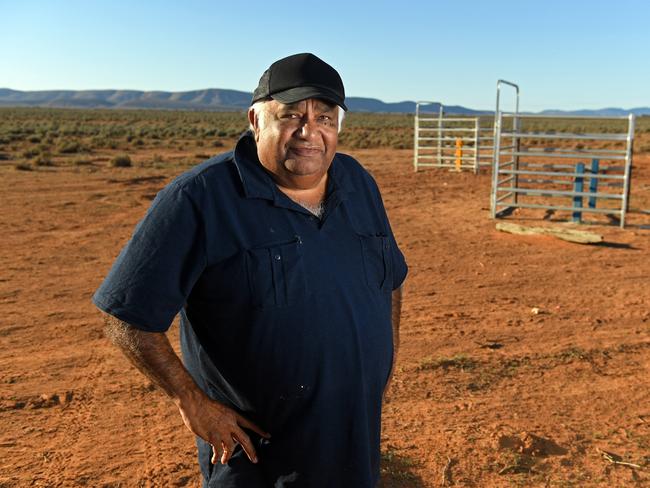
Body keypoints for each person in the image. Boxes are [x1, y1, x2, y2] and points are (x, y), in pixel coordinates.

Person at [93, 52, 407, 487]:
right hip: (257, 460)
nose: (308, 132)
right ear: (256, 121)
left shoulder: (358, 182)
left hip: (353, 442)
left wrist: (385, 359)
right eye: (291, 115)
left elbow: (390, 277)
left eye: (325, 118)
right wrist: (191, 400)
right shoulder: (198, 199)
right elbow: (125, 314)